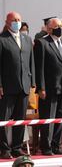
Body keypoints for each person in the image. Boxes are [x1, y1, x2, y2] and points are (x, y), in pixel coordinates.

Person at [34, 18, 62, 156]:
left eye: (61, 26)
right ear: (49, 28)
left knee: (61, 118)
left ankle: (57, 145)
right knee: (49, 118)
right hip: (49, 88)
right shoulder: (42, 43)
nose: (60, 28)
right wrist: (41, 88)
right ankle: (46, 146)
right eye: (57, 26)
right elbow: (39, 68)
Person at [0, 11, 35, 159]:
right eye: (14, 20)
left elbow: (31, 61)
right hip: (7, 86)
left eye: (19, 19)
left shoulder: (27, 39)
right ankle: (4, 148)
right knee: (3, 119)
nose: (17, 22)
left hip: (24, 85)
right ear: (7, 22)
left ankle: (16, 147)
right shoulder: (2, 39)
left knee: (20, 119)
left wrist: (32, 82)